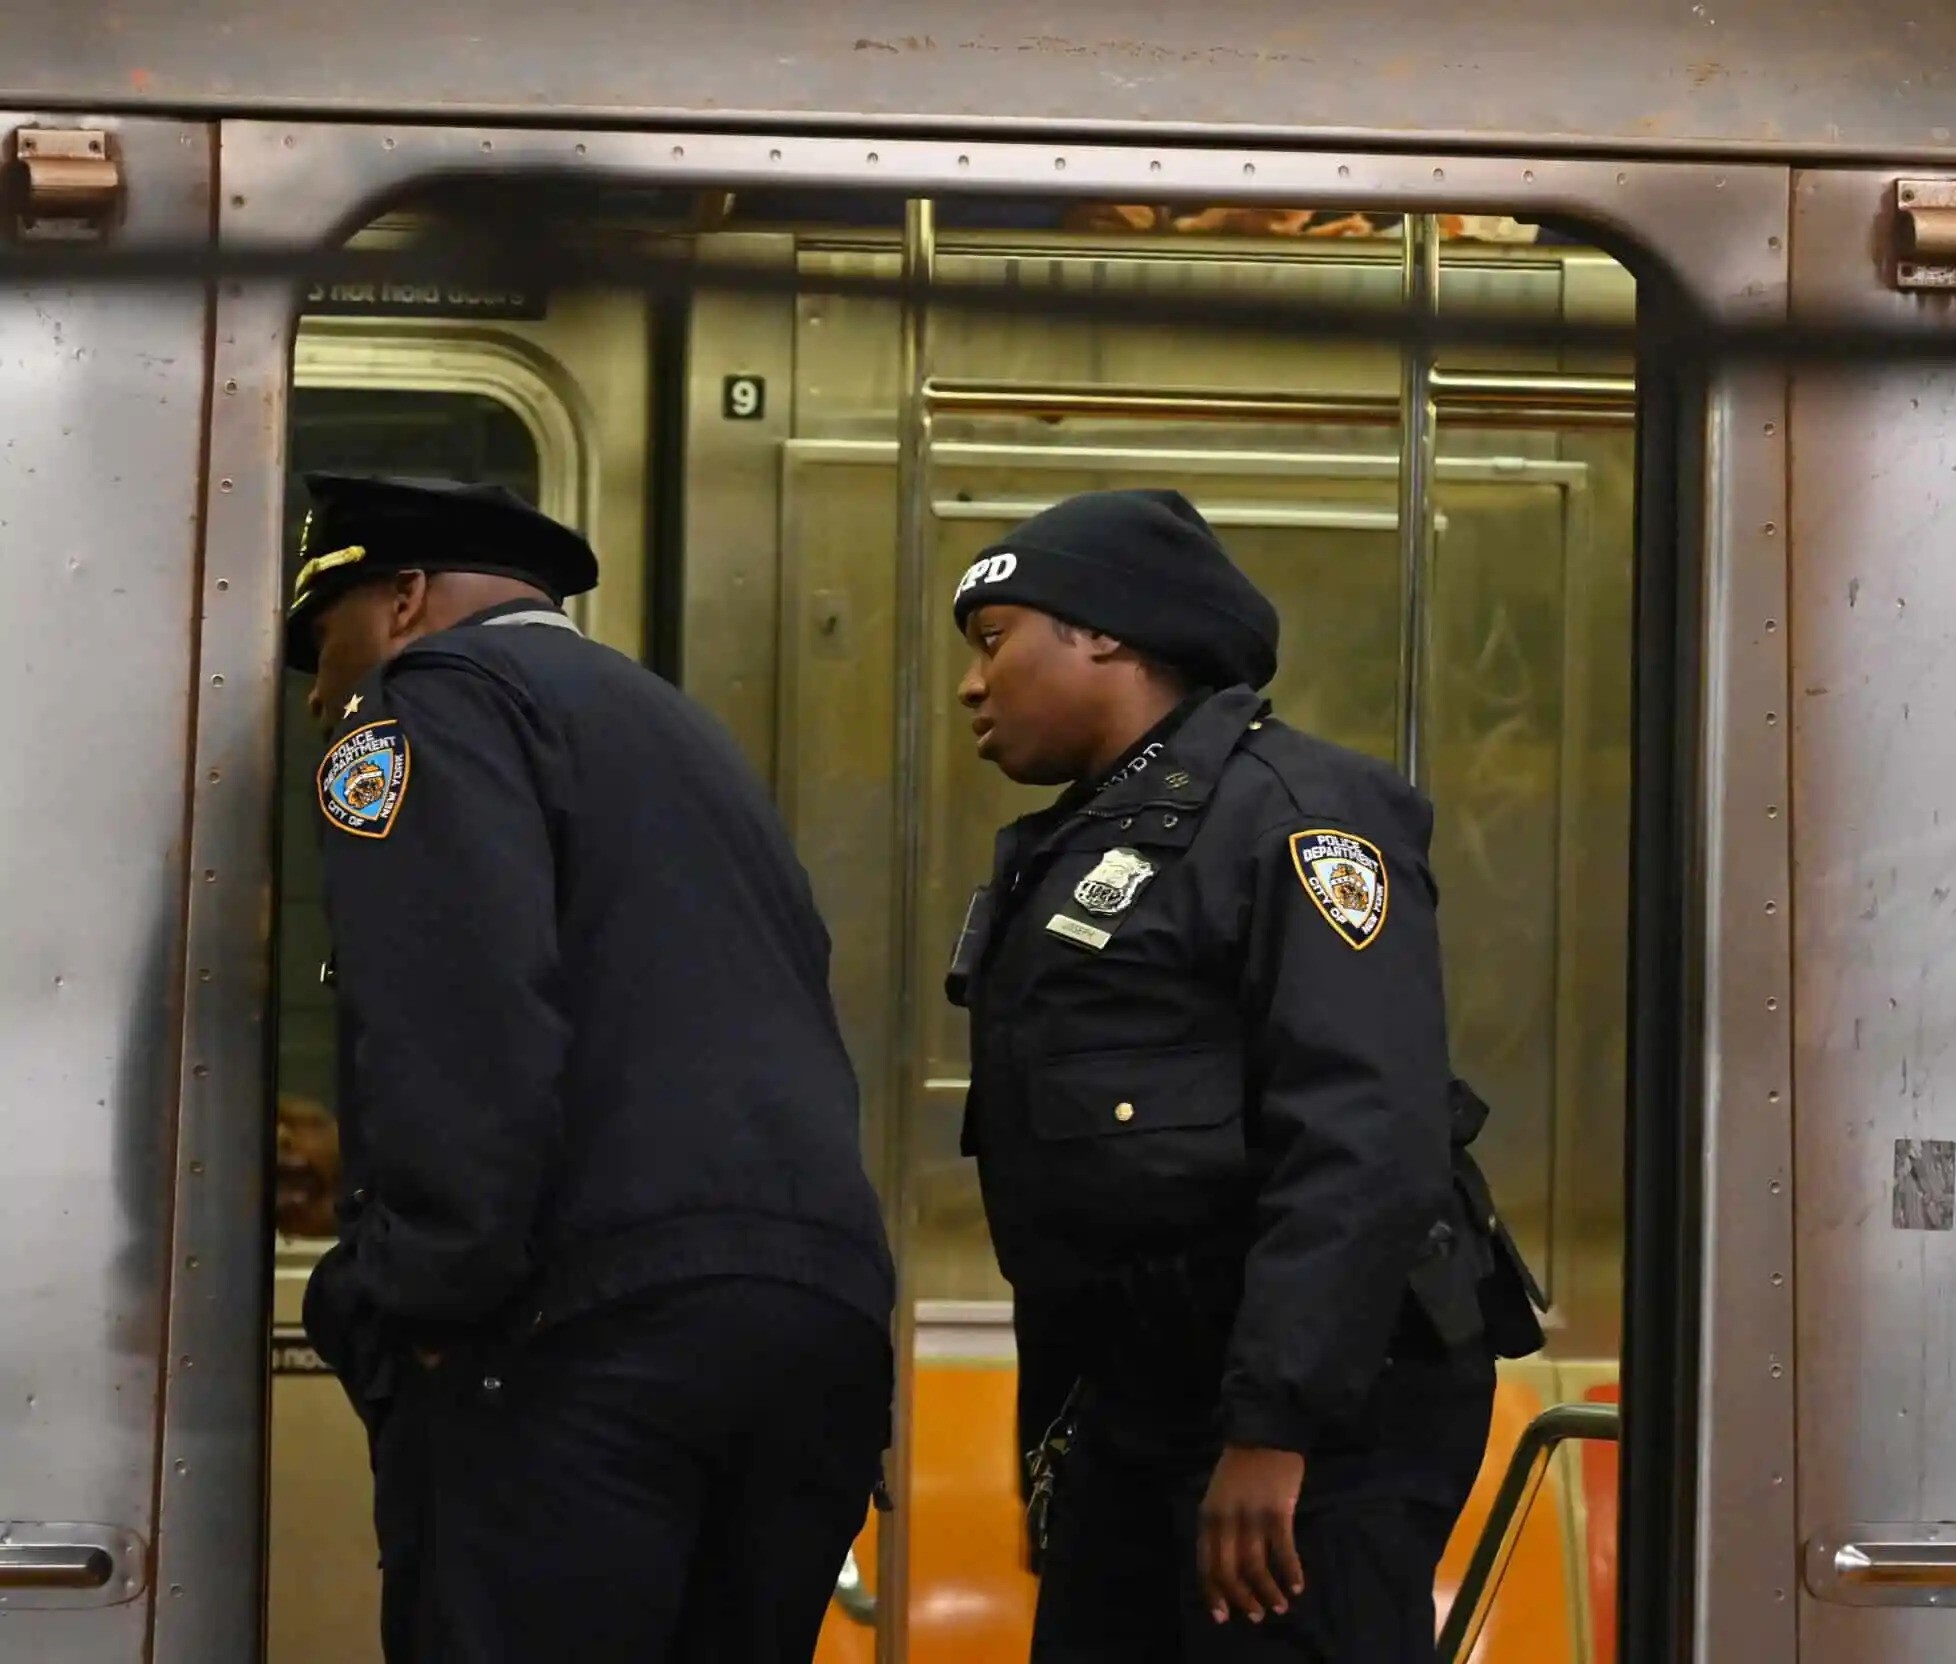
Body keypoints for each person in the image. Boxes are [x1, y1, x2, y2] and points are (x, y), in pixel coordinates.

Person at [287, 472, 895, 1664]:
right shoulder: (678, 731)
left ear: (404, 597)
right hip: (810, 1332)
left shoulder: (428, 709)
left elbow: (455, 1010)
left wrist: (416, 1293)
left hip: (580, 1345)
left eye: (325, 640)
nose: (321, 690)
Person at [945, 489, 1546, 1663]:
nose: (972, 683)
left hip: (1312, 1415)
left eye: (991, 639)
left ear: (1101, 631)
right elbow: (1076, 1191)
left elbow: (1361, 1134)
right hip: (1138, 1403)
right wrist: (1055, 1447)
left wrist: (1276, 1431)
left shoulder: (1296, 814)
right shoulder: (1091, 843)